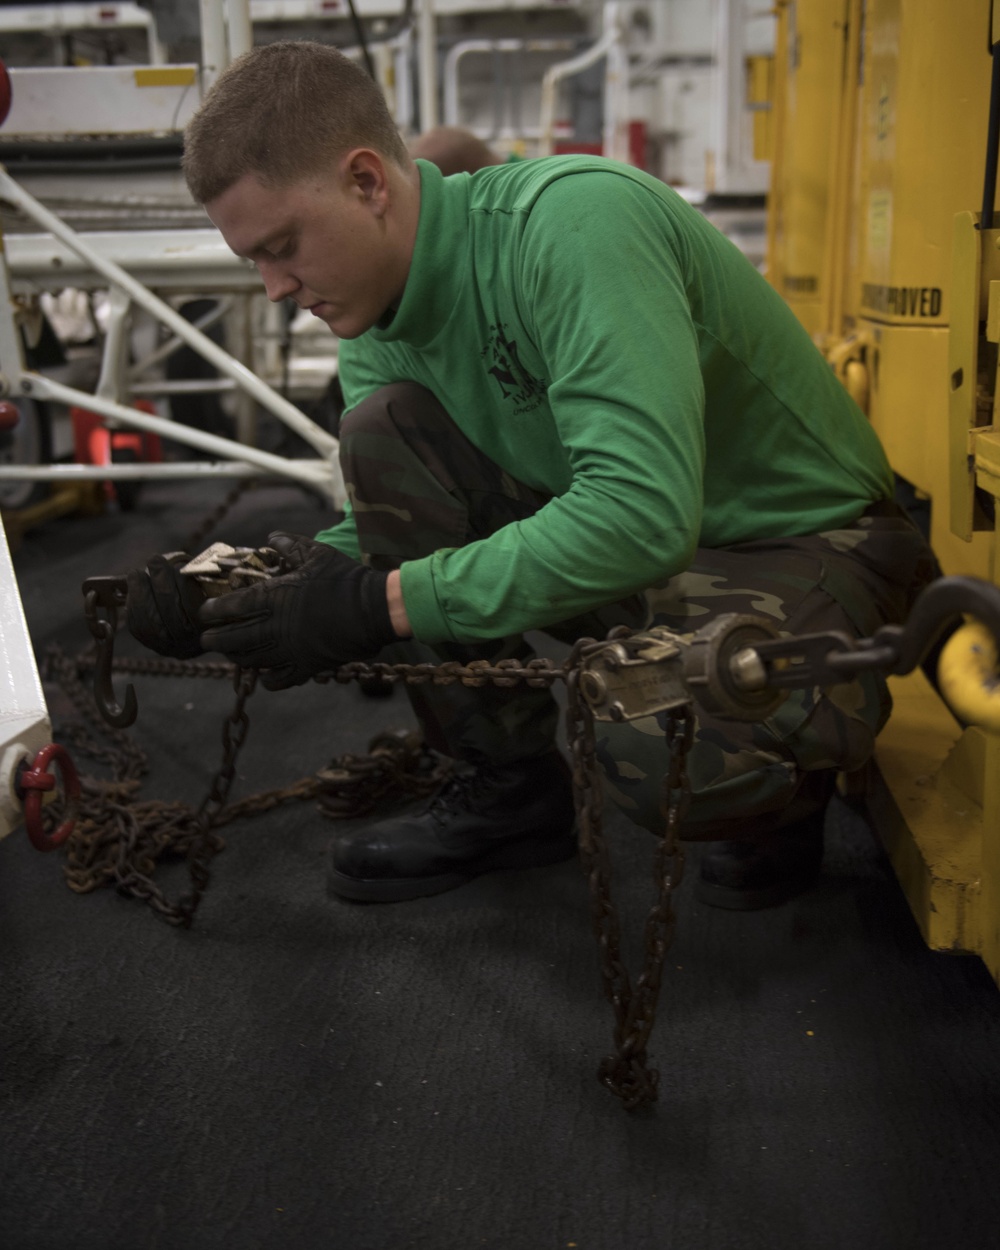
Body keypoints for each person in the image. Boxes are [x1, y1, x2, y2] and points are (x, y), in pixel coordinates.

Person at [126, 40, 938, 910]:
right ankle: (511, 789)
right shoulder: (372, 323)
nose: (275, 287)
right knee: (381, 434)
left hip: (808, 544)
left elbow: (638, 515)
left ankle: (790, 776)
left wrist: (378, 605)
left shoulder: (573, 227)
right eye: (254, 259)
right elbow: (383, 528)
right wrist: (236, 591)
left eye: (282, 246)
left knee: (656, 740)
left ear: (368, 182)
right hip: (664, 553)